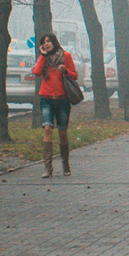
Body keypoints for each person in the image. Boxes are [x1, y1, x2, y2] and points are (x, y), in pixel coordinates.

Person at [31, 33, 78, 178]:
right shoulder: (43, 58)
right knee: (47, 129)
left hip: (62, 100)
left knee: (62, 133)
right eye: (44, 42)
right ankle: (48, 167)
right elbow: (36, 72)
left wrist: (66, 71)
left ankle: (65, 163)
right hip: (46, 98)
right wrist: (43, 56)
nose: (47, 44)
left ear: (54, 42)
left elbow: (74, 75)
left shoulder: (66, 55)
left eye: (49, 41)